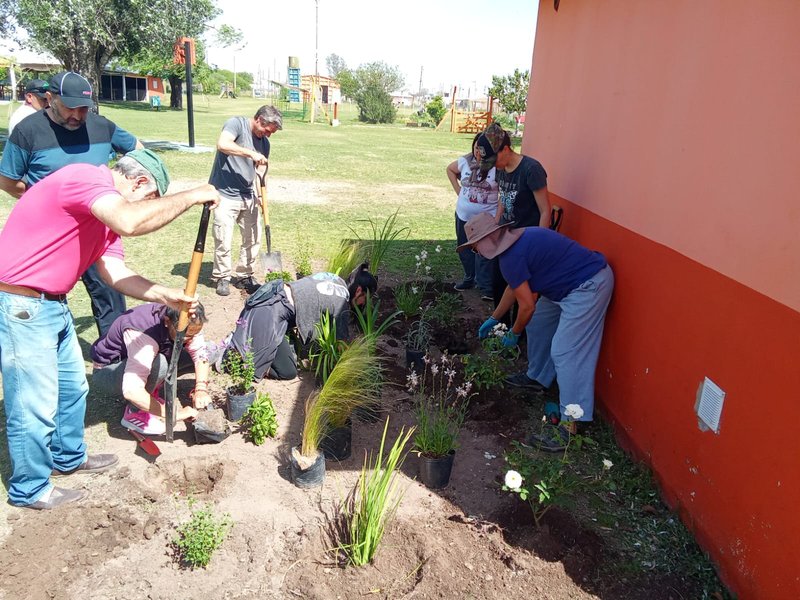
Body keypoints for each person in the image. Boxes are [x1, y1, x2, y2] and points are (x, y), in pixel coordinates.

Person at [0, 149, 220, 510]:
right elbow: (130, 221)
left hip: (52, 303)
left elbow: (116, 274)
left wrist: (167, 294)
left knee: (73, 389)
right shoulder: (87, 178)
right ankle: (30, 488)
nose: (150, 207)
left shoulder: (102, 221)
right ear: (139, 183)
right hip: (21, 303)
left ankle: (68, 458)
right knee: (33, 403)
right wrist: (193, 195)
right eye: (151, 200)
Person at [0, 71, 145, 339]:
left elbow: (137, 148)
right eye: (70, 107)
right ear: (50, 98)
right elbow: (7, 181)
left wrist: (119, 185)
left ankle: (111, 358)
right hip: (50, 235)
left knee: (109, 295)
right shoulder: (28, 130)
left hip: (95, 229)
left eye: (83, 108)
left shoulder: (101, 126)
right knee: (42, 296)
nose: (77, 115)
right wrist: (44, 200)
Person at [459, 213, 614, 452]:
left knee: (566, 352)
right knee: (539, 323)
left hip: (587, 285)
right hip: (563, 286)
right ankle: (537, 378)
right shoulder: (518, 241)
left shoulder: (512, 255)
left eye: (476, 248)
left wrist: (514, 333)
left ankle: (571, 426)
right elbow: (515, 286)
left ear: (488, 240)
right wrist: (494, 318)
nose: (477, 253)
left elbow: (527, 305)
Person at [211, 265, 377, 383]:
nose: (363, 305)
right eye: (365, 300)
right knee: (287, 371)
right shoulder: (342, 303)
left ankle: (249, 340)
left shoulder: (338, 280)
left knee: (287, 355)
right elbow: (341, 346)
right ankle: (229, 352)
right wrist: (356, 368)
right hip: (269, 311)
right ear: (359, 291)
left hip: (272, 298)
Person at [90, 303, 212, 436]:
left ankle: (151, 394)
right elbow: (132, 391)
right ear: (167, 321)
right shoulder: (143, 334)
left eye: (194, 333)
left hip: (147, 358)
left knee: (210, 350)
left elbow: (200, 353)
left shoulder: (188, 317)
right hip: (109, 372)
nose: (190, 339)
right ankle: (134, 413)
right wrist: (174, 414)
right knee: (160, 364)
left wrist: (201, 389)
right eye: (185, 335)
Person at [473, 122, 552, 309]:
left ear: (505, 149)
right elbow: (502, 197)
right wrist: (495, 223)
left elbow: (545, 210)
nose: (494, 167)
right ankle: (499, 329)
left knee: (520, 293)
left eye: (494, 160)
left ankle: (517, 333)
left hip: (525, 239)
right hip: (505, 238)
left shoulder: (531, 170)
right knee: (498, 285)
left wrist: (540, 244)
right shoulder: (501, 170)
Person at [209, 105, 283, 297]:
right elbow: (223, 144)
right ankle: (222, 277)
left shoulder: (265, 143)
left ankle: (244, 275)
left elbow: (260, 171)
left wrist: (261, 196)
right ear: (259, 119)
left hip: (248, 194)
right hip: (224, 193)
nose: (269, 135)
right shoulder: (236, 124)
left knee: (252, 238)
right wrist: (250, 153)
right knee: (223, 237)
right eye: (267, 130)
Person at [446, 132, 498, 299]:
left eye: (482, 149)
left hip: (487, 217)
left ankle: (486, 287)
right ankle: (469, 278)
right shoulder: (465, 161)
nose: (478, 152)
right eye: (476, 148)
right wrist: (459, 191)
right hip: (463, 214)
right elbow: (450, 169)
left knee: (485, 251)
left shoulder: (497, 166)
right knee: (464, 248)